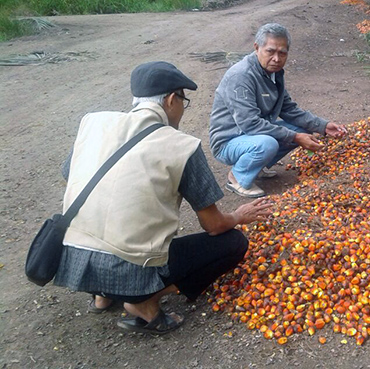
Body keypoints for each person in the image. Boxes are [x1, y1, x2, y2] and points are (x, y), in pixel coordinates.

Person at [53, 61, 273, 335]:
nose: (182, 108)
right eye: (184, 100)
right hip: (126, 265)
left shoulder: (94, 123)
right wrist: (239, 215)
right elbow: (213, 225)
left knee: (104, 228)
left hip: (71, 261)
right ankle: (144, 301)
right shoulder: (181, 146)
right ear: (171, 99)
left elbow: (70, 174)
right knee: (233, 242)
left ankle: (102, 294)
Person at [209, 23, 347, 198]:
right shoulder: (241, 76)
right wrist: (295, 137)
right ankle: (237, 177)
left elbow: (289, 110)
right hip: (229, 141)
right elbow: (250, 123)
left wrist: (323, 126)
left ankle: (255, 167)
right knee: (269, 143)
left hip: (253, 136)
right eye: (270, 51)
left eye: (282, 53)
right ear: (257, 48)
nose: (276, 58)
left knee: (302, 129)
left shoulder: (274, 73)